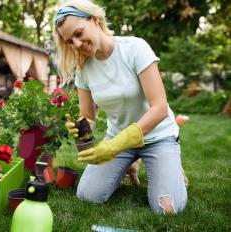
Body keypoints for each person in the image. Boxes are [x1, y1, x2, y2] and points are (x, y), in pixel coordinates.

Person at [53, 0, 187, 215]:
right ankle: (130, 164)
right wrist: (81, 127)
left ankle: (172, 167)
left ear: (95, 20)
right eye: (70, 41)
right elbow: (88, 115)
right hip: (118, 140)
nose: (76, 44)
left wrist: (115, 146)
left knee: (167, 209)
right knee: (88, 195)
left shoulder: (135, 48)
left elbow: (160, 108)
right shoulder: (84, 68)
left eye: (78, 34)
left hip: (158, 137)